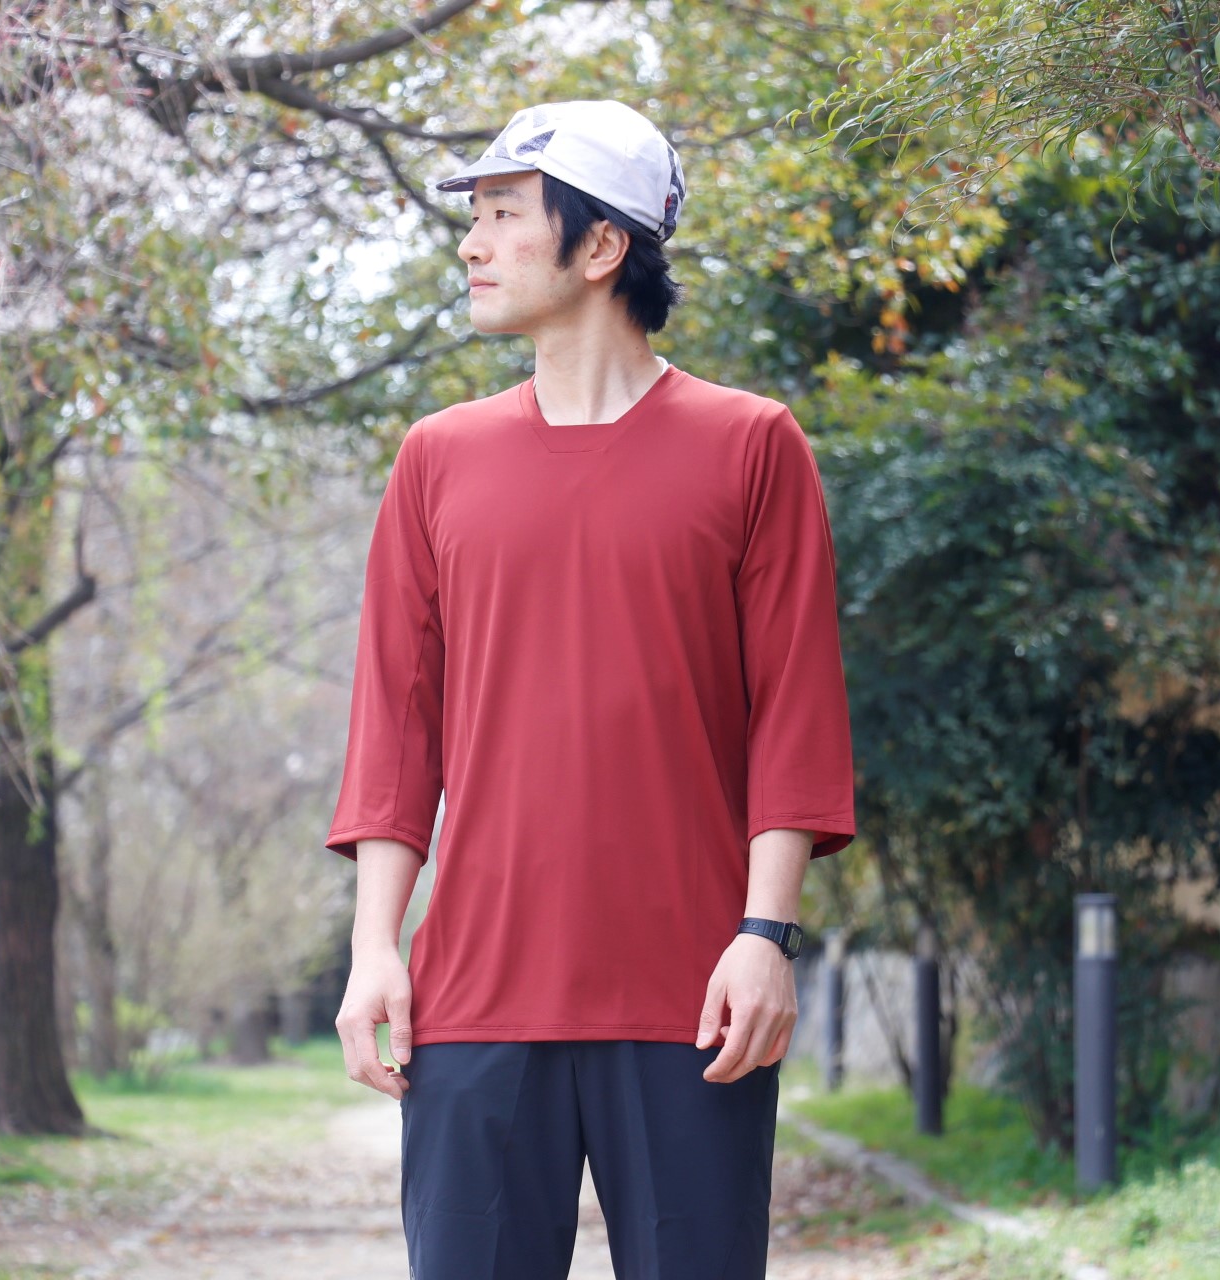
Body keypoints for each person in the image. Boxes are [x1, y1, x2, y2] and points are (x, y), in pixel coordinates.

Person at [323, 98, 856, 1280]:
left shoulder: (752, 445)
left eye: (503, 215)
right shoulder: (437, 459)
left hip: (696, 998)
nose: (472, 244)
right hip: (473, 999)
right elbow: (397, 731)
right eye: (475, 217)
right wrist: (374, 948)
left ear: (603, 243)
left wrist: (766, 934)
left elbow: (796, 714)